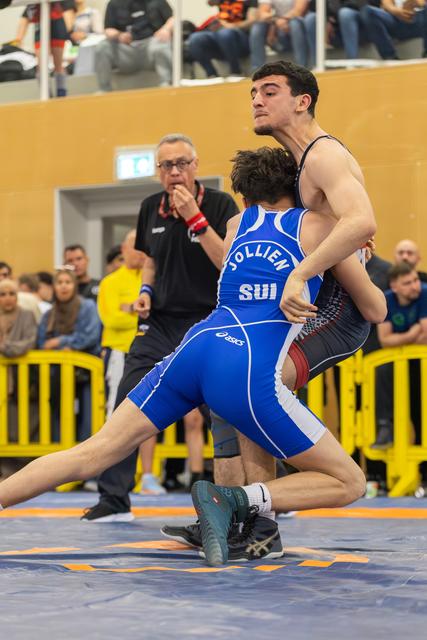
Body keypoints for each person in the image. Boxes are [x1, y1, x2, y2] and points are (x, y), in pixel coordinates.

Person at [0, 148, 385, 568]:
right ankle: (235, 498)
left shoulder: (237, 224)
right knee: (349, 482)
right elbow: (374, 309)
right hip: (245, 366)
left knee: (96, 450)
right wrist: (356, 256)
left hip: (196, 347)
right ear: (297, 187)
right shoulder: (320, 227)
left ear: (242, 196)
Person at [164, 60, 378, 555]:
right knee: (233, 382)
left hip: (336, 311)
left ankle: (252, 515)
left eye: (269, 91)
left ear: (302, 100)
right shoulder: (302, 165)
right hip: (311, 304)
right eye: (253, 92)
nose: (256, 99)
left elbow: (361, 225)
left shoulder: (322, 157)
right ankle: (242, 515)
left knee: (258, 378)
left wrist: (307, 270)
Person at [81, 133, 238, 521]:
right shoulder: (151, 206)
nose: (174, 172)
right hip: (159, 321)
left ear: (196, 166)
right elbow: (149, 261)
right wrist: (146, 290)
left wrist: (195, 219)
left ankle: (267, 491)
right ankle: (114, 499)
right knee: (125, 402)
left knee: (229, 407)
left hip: (207, 321)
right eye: (166, 165)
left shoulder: (221, 204)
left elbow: (227, 262)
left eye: (181, 163)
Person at [37, 267, 101, 442]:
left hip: (86, 374)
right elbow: (42, 343)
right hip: (57, 375)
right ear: (54, 287)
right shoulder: (49, 313)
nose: (64, 287)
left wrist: (60, 342)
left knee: (88, 419)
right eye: (59, 282)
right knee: (58, 417)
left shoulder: (87, 306)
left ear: (74, 285)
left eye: (68, 282)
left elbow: (90, 336)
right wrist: (62, 349)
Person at [372, 261, 427, 449]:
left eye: (415, 280)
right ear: (394, 286)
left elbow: (426, 335)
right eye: (407, 283)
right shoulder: (386, 299)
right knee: (383, 368)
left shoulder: (425, 293)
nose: (415, 286)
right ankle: (385, 427)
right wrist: (412, 334)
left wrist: (400, 339)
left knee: (420, 411)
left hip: (421, 361)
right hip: (399, 362)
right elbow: (384, 340)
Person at [97, 229, 145, 418]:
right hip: (119, 353)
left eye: (144, 247)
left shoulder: (151, 278)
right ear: (124, 249)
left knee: (146, 413)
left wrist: (131, 308)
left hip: (146, 352)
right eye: (136, 247)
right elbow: (112, 319)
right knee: (116, 411)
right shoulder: (109, 283)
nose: (141, 251)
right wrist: (142, 314)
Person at [0, 278, 38, 478]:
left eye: (12, 293)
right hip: (2, 382)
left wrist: (5, 348)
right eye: (3, 294)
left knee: (21, 424)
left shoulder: (27, 315)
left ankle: (23, 473)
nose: (7, 298)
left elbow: (29, 343)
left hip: (23, 381)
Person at [94, 0, 173, 92]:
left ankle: (167, 84)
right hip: (126, 51)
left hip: (151, 47)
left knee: (161, 43)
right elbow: (108, 30)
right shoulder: (114, 3)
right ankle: (104, 89)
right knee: (103, 46)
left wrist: (165, 29)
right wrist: (119, 35)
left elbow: (172, 18)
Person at [15, 1, 75, 97]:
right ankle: (46, 94)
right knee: (41, 66)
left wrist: (70, 31)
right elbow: (25, 17)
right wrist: (18, 39)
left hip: (57, 24)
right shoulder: (33, 5)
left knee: (58, 64)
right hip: (41, 24)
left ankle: (61, 94)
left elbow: (69, 16)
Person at [188, 0, 258, 80]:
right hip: (220, 34)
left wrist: (231, 26)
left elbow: (252, 20)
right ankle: (212, 75)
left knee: (225, 34)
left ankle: (236, 71)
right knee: (195, 38)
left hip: (242, 38)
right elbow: (210, 3)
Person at [250, 0, 312, 70]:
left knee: (294, 24)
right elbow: (263, 14)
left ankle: (301, 68)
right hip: (278, 26)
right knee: (257, 28)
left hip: (300, 26)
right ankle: (257, 69)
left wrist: (283, 20)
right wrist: (275, 22)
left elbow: (298, 11)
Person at [361, 0, 427, 60]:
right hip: (396, 19)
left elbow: (420, 3)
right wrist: (397, 12)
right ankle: (390, 57)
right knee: (368, 10)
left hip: (420, 19)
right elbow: (387, 4)